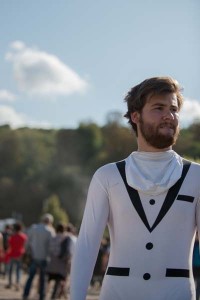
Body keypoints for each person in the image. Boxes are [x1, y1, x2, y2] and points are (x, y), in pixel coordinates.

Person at [70, 76, 200, 300]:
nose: (169, 116)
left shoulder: (197, 176)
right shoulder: (107, 176)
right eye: (158, 108)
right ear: (135, 116)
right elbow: (87, 245)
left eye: (174, 109)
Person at [22, 213, 55, 300]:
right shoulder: (50, 231)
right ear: (50, 221)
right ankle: (41, 296)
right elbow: (51, 247)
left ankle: (25, 294)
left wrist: (26, 252)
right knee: (43, 279)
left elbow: (27, 242)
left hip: (34, 256)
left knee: (30, 277)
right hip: (44, 258)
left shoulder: (34, 228)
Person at [47, 223, 71, 299]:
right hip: (61, 264)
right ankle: (53, 297)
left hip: (52, 263)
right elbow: (67, 252)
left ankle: (43, 295)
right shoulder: (66, 238)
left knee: (48, 281)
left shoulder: (52, 237)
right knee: (57, 283)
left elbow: (49, 249)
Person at [5, 222, 27, 290]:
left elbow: (8, 245)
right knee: (18, 270)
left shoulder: (12, 236)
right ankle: (17, 284)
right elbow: (25, 246)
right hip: (20, 255)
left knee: (10, 270)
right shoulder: (24, 236)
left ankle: (10, 283)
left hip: (12, 254)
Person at [193, 234, 200, 300]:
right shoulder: (193, 245)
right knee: (195, 285)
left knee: (198, 287)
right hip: (194, 268)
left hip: (198, 268)